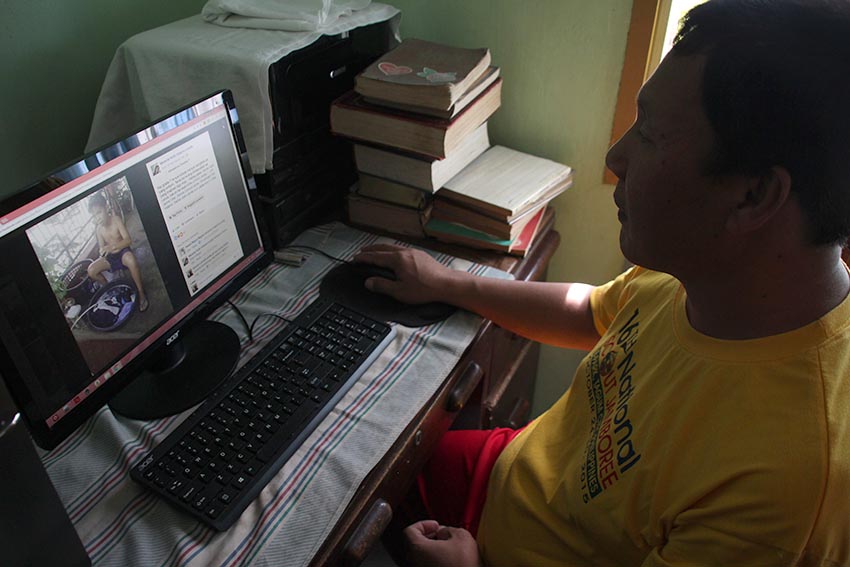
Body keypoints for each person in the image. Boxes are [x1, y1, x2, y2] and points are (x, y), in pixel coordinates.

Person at [353, 0, 850, 565]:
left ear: (754, 196)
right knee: (352, 460)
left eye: (654, 136)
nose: (617, 157)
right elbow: (590, 312)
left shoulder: (784, 490)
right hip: (514, 478)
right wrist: (450, 283)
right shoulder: (705, 276)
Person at [86, 192, 149, 312]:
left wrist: (112, 247)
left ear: (106, 207)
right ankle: (111, 289)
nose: (97, 217)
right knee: (91, 270)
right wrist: (102, 251)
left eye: (99, 212)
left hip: (122, 252)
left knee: (131, 260)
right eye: (94, 215)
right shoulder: (98, 230)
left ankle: (141, 293)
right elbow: (101, 248)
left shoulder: (116, 220)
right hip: (110, 257)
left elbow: (128, 240)